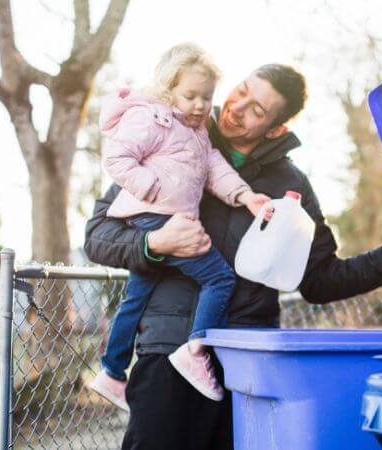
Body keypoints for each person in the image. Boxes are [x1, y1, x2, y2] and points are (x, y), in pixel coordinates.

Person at [84, 62, 382, 449]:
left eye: (257, 110)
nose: (236, 108)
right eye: (241, 90)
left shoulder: (290, 185)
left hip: (245, 367)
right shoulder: (171, 137)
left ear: (276, 128)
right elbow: (97, 235)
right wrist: (155, 244)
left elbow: (319, 279)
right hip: (166, 354)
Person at [89, 43, 271, 410]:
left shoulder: (198, 132)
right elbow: (115, 156)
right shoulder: (153, 118)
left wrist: (246, 196)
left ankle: (111, 371)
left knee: (135, 299)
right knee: (219, 278)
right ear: (169, 90)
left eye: (206, 97)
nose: (200, 105)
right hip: (155, 217)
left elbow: (215, 169)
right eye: (190, 96)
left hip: (165, 218)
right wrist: (150, 188)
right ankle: (196, 349)